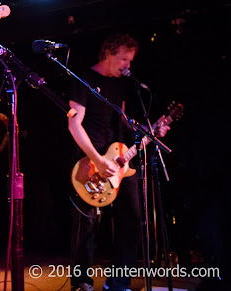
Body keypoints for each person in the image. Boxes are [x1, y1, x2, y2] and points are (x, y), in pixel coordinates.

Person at [67, 33, 168, 291]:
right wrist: (97, 159)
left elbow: (123, 125)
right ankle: (81, 283)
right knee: (86, 224)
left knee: (133, 220)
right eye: (124, 59)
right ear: (108, 53)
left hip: (120, 161)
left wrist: (151, 130)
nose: (128, 66)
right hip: (91, 162)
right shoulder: (84, 80)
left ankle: (118, 282)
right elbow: (74, 124)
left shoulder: (122, 86)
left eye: (130, 61)